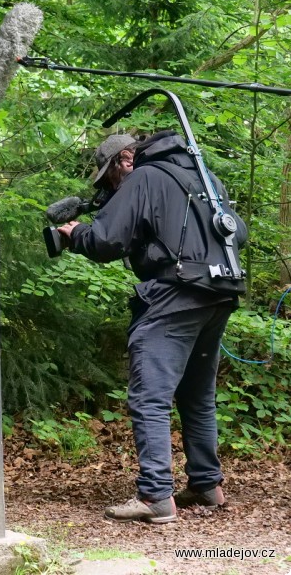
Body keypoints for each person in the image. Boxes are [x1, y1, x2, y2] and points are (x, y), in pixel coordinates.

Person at [57, 130, 247, 524]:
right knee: (197, 396)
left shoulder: (145, 176)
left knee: (150, 398)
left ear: (126, 158)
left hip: (175, 295)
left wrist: (76, 234)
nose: (113, 184)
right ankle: (207, 486)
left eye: (110, 175)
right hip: (219, 294)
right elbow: (238, 234)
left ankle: (156, 495)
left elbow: (106, 241)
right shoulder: (205, 177)